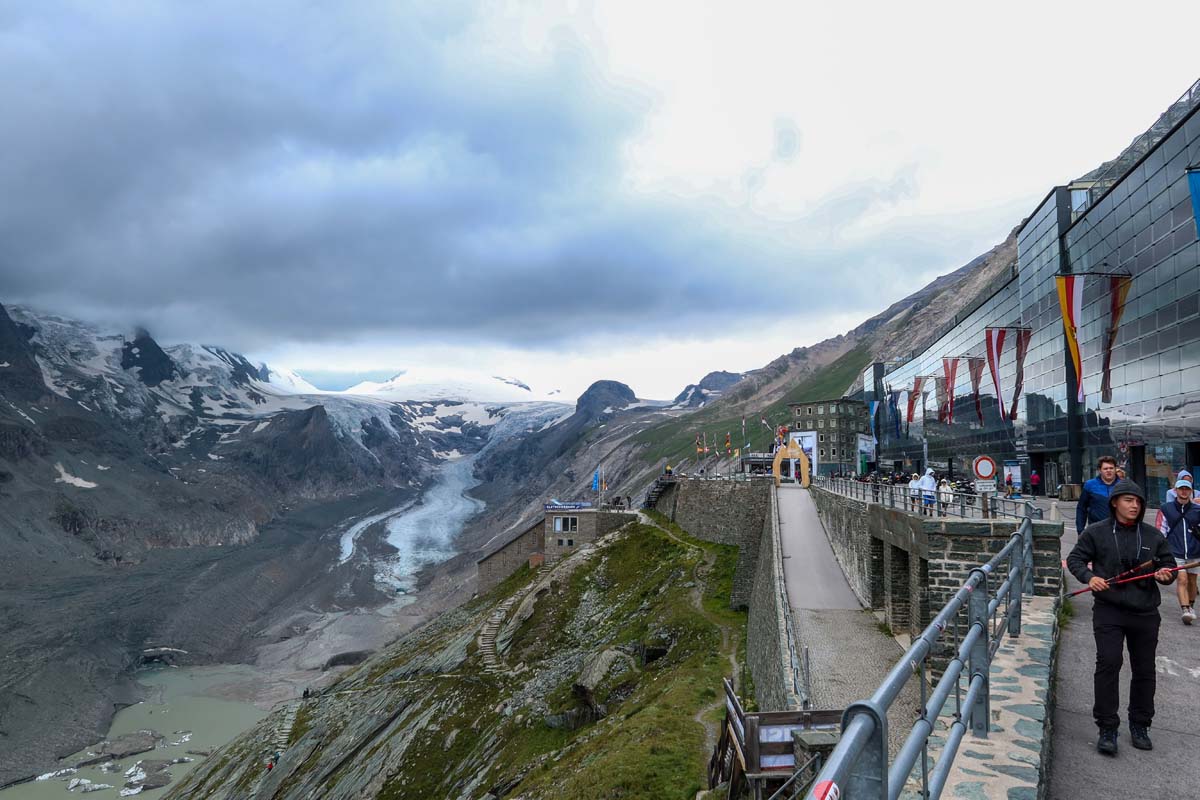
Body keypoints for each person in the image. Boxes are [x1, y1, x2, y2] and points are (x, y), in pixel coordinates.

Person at [1066, 479, 1176, 756]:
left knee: (1144, 669)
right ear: (1115, 502)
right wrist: (1090, 578)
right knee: (1109, 663)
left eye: (1138, 502)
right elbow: (1076, 560)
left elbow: (1169, 567)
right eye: (1128, 500)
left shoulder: (1153, 536)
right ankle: (1107, 727)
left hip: (1145, 612)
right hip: (1109, 610)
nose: (1134, 505)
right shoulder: (1096, 532)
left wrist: (1166, 575)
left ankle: (1140, 724)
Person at [1158, 478, 1200, 624]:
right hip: (1175, 550)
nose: (1184, 491)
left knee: (1192, 581)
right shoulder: (1166, 508)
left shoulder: (1197, 510)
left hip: (1194, 551)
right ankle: (1185, 609)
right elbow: (1162, 529)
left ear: (1191, 491)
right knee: (1182, 579)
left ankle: (1192, 605)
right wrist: (1160, 548)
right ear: (1175, 490)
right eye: (1181, 488)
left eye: (1187, 489)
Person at [1077, 456, 1120, 534]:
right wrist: (1080, 530)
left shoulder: (1123, 485)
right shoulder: (1090, 485)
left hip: (1118, 530)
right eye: (1105, 469)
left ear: (1115, 469)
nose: (1109, 471)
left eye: (1111, 468)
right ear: (1100, 470)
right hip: (1096, 530)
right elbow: (1081, 508)